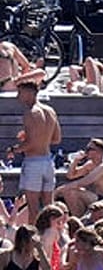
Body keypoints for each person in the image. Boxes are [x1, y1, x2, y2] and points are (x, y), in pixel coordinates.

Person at [13, 81, 61, 225]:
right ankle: (51, 241)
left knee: (33, 209)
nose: (17, 97)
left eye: (20, 93)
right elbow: (56, 139)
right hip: (48, 161)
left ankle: (32, 242)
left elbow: (31, 144)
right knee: (49, 208)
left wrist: (15, 149)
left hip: (34, 163)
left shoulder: (30, 113)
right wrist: (39, 138)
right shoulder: (50, 111)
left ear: (30, 93)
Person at [57, 138, 103, 217]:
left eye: (90, 149)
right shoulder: (90, 164)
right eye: (86, 149)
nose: (86, 151)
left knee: (71, 192)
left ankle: (79, 219)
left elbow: (81, 183)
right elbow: (70, 176)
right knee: (69, 191)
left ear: (99, 152)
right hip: (97, 197)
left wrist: (57, 191)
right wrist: (76, 161)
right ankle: (79, 218)